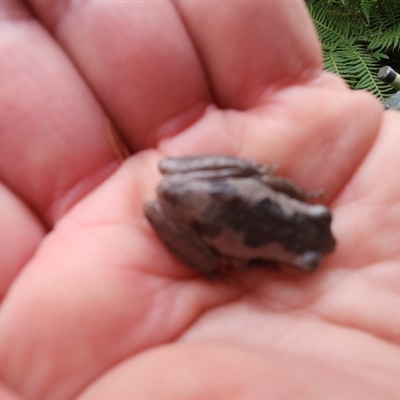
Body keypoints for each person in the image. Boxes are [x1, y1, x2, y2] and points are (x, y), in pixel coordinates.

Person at [0, 1, 398, 398]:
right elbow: (245, 250)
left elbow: (267, 207)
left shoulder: (279, 233)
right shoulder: (269, 256)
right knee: (207, 233)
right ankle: (202, 254)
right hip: (194, 206)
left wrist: (271, 187)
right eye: (320, 213)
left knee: (243, 196)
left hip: (206, 190)